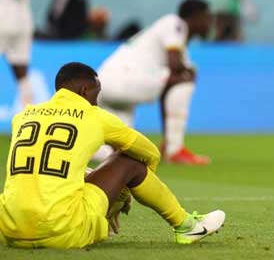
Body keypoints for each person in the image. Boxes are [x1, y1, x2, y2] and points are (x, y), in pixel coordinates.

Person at [0, 62, 225, 248]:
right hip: (61, 231)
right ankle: (186, 226)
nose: (96, 102)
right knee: (129, 160)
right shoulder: (94, 116)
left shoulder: (23, 116)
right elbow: (150, 154)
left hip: (8, 230)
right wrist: (123, 191)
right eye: (96, 95)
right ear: (84, 91)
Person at [95, 0, 212, 165]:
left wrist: (167, 137)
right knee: (186, 78)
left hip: (104, 84)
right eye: (207, 17)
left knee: (114, 150)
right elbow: (175, 66)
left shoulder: (176, 44)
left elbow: (168, 90)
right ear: (195, 16)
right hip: (124, 80)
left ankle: (171, 147)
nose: (210, 23)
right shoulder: (175, 23)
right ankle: (175, 149)